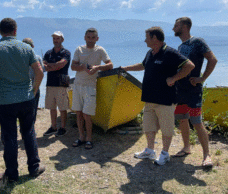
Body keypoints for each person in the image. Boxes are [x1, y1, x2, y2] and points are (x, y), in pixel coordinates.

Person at [0, 18, 44, 183]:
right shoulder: (26, 48)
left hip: (5, 101)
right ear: (15, 31)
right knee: (29, 132)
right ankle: (34, 167)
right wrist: (34, 90)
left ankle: (11, 174)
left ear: (0, 31)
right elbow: (39, 73)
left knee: (9, 137)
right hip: (26, 98)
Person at [121, 26, 195, 165]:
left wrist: (173, 78)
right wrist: (125, 68)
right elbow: (142, 65)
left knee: (166, 128)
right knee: (149, 126)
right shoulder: (150, 52)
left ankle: (165, 154)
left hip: (165, 99)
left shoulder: (170, 52)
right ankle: (150, 151)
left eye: (147, 37)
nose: (145, 40)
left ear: (154, 38)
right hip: (149, 98)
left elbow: (189, 65)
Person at [172, 17, 218, 167]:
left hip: (193, 90)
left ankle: (207, 156)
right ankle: (186, 148)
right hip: (180, 90)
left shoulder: (197, 41)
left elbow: (213, 60)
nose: (173, 28)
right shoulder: (180, 47)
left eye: (176, 25)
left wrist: (202, 78)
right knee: (182, 119)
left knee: (197, 122)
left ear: (184, 26)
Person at [71, 28, 113, 150]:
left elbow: (110, 65)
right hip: (78, 85)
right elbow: (73, 66)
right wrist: (82, 67)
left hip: (90, 86)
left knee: (87, 115)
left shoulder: (100, 50)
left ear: (97, 39)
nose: (90, 40)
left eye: (93, 37)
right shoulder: (79, 49)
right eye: (88, 37)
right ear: (85, 37)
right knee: (78, 113)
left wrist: (97, 68)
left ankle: (89, 139)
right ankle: (81, 137)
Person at [42, 31, 71, 137]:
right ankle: (53, 127)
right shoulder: (48, 52)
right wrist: (54, 65)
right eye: (54, 38)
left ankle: (63, 128)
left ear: (62, 40)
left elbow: (61, 65)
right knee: (51, 107)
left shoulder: (66, 52)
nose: (55, 40)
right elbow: (43, 66)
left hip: (62, 82)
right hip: (50, 82)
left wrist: (50, 66)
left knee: (63, 107)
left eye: (57, 38)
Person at [22, 37, 44, 116]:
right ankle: (31, 126)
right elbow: (41, 72)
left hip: (22, 89)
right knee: (32, 111)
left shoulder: (19, 58)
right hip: (35, 88)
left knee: (23, 112)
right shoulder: (37, 58)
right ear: (33, 46)